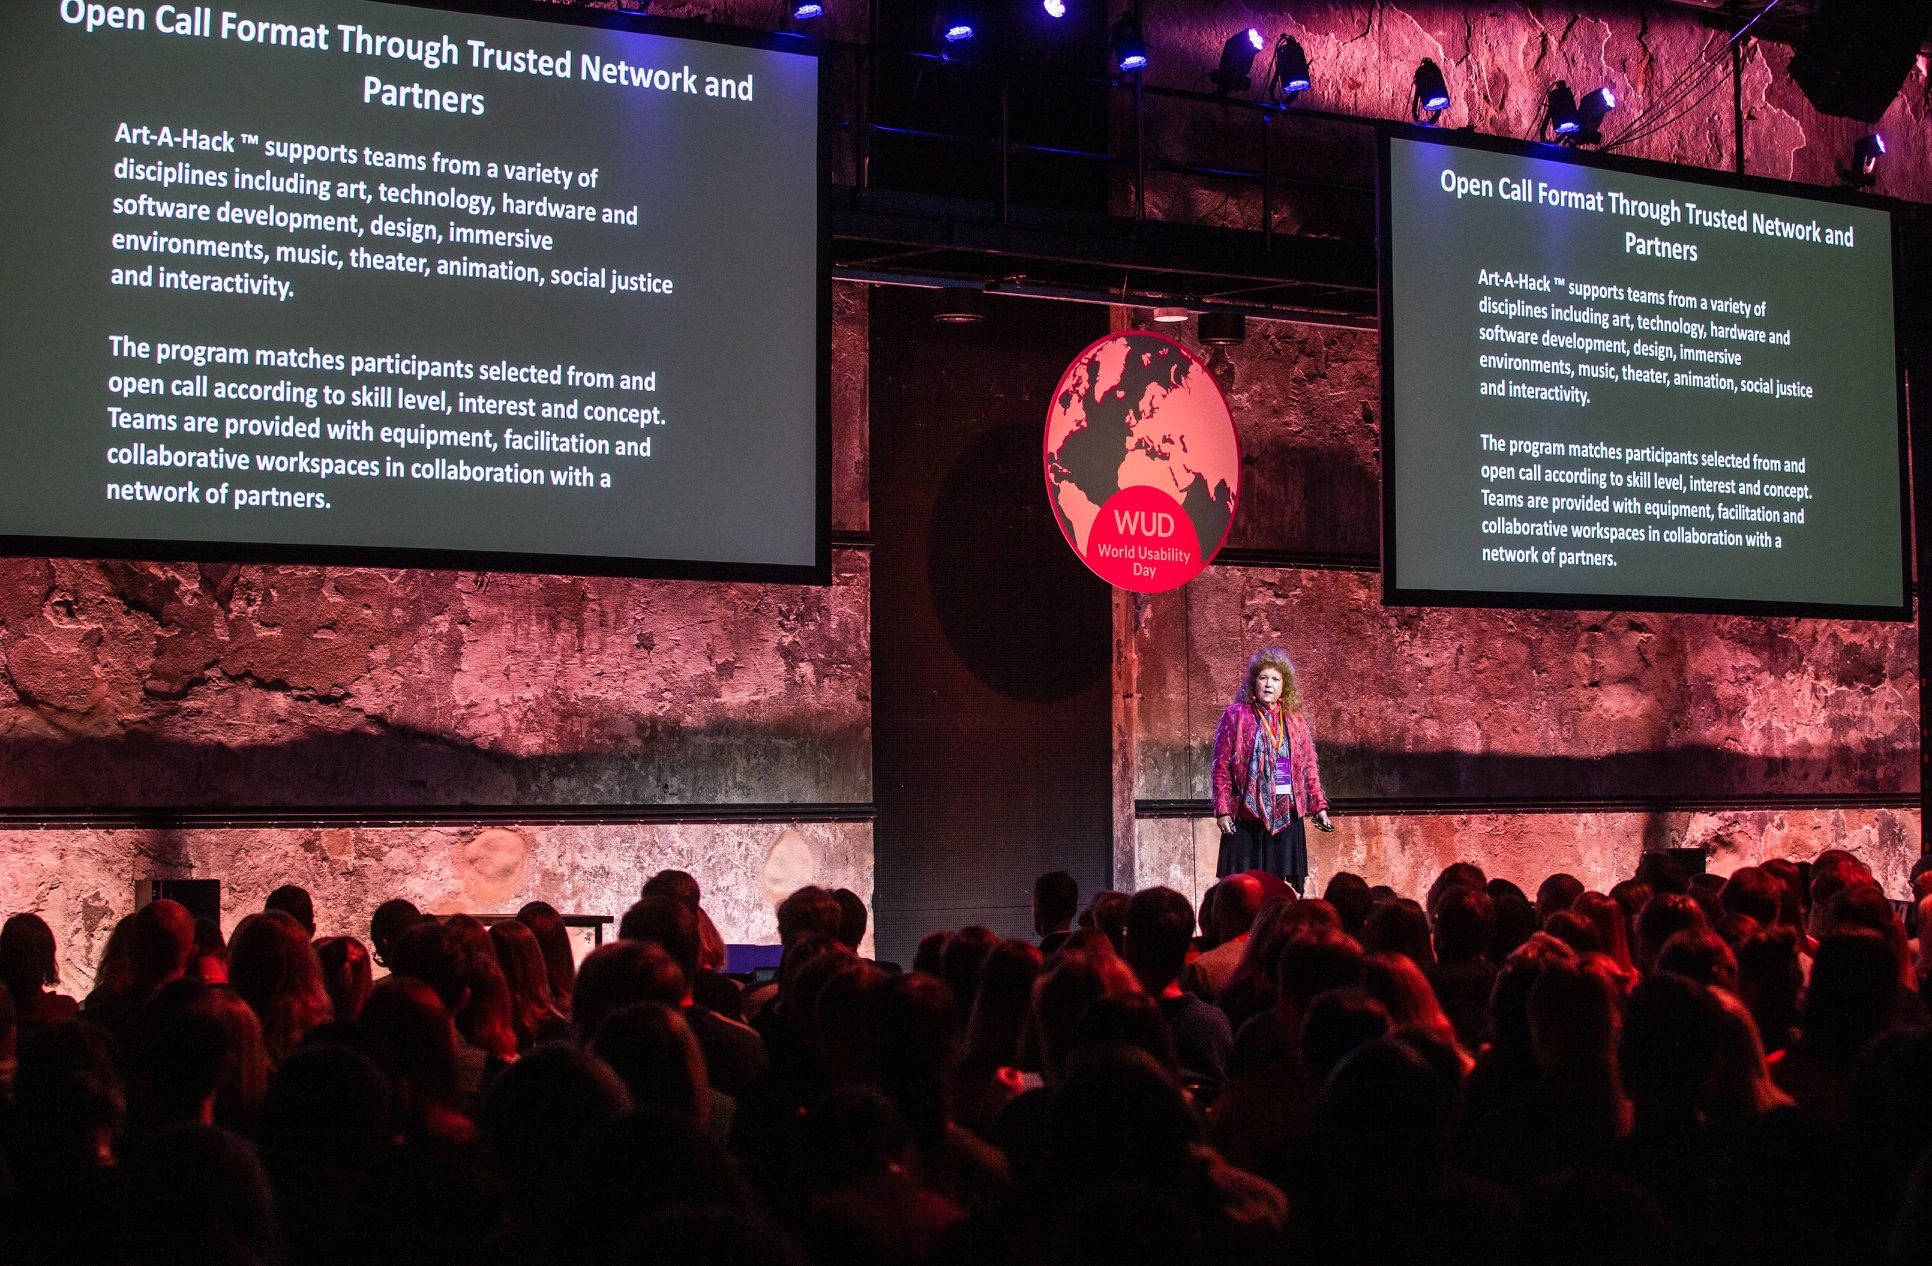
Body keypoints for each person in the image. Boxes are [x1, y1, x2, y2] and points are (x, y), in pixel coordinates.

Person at [1210, 646, 1332, 891]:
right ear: (1253, 682)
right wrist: (1222, 809)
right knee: (1244, 888)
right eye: (1263, 677)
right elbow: (1221, 765)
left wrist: (1319, 805)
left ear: (1283, 686)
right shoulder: (1236, 715)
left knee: (1280, 890)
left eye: (1275, 679)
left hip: (1286, 813)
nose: (1268, 684)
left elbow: (1309, 766)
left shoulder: (1295, 720)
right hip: (1247, 816)